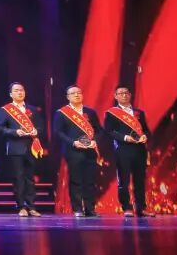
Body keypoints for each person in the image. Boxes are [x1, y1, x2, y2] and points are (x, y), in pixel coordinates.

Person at [103, 86, 155, 217]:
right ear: (115, 96)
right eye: (120, 93)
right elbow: (109, 131)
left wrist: (145, 136)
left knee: (140, 180)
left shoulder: (139, 113)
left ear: (130, 95)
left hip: (140, 150)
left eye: (126, 93)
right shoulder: (111, 113)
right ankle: (126, 207)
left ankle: (141, 208)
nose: (124, 95)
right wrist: (125, 137)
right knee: (124, 181)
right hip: (123, 150)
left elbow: (146, 130)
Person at [0, 82, 45, 217]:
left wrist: (36, 131)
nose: (20, 92)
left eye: (22, 90)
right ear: (11, 94)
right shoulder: (5, 110)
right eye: (16, 90)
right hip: (15, 147)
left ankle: (31, 206)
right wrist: (15, 132)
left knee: (30, 178)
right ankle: (21, 206)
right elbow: (0, 128)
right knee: (18, 177)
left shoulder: (33, 109)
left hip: (32, 147)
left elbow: (41, 127)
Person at [54, 85, 102, 217]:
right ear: (67, 97)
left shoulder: (90, 112)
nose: (76, 95)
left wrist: (95, 141)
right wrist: (73, 142)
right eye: (73, 93)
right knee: (76, 180)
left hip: (90, 151)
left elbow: (99, 130)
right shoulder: (62, 113)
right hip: (73, 151)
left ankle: (90, 209)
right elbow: (58, 132)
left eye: (79, 93)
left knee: (90, 181)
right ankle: (77, 209)